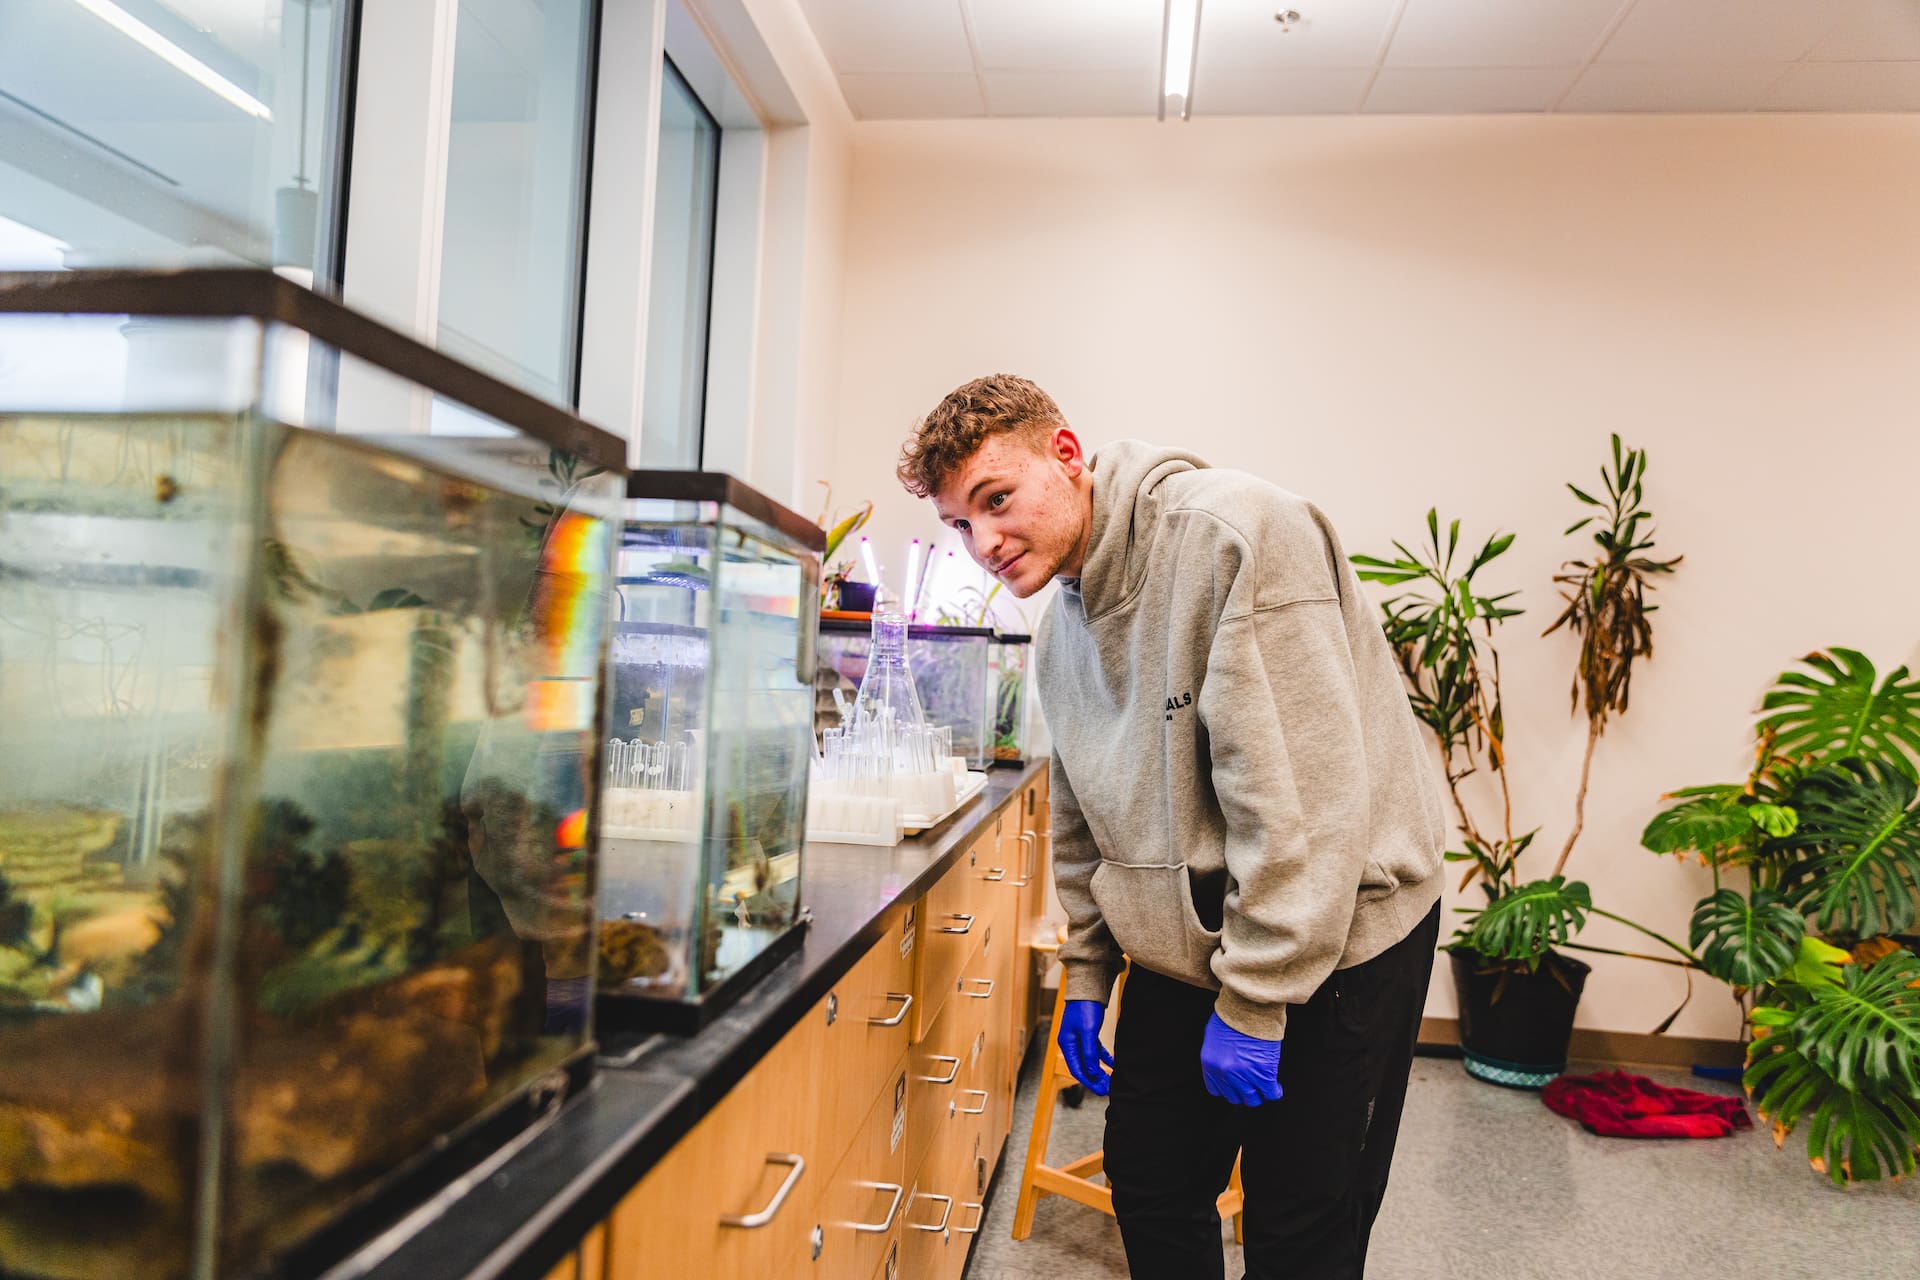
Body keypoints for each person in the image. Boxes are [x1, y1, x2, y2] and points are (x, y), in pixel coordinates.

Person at [896, 375, 1448, 1280]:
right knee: (1151, 1182)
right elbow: (1079, 819)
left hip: (1337, 936)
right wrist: (1087, 969)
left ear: (1066, 456)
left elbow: (1300, 805)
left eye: (997, 501)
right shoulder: (1061, 625)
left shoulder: (1237, 535)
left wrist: (1258, 1000)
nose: (984, 542)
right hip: (1188, 937)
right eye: (960, 523)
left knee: (1298, 1225)